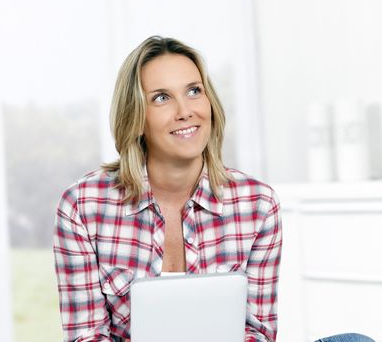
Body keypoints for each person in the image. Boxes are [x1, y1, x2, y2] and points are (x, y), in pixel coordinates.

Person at [53, 36, 282, 342]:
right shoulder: (83, 206)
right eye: (161, 97)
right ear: (135, 117)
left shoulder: (258, 204)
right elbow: (87, 336)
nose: (185, 111)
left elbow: (257, 332)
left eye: (194, 91)